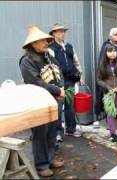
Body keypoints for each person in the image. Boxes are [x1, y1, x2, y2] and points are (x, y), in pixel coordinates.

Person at [19, 25, 64, 177]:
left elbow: (59, 73)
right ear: (33, 44)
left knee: (52, 132)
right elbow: (37, 82)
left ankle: (49, 159)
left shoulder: (49, 57)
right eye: (42, 41)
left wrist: (61, 88)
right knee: (40, 134)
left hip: (54, 101)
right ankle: (41, 165)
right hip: (38, 103)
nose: (46, 43)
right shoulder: (27, 61)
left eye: (46, 40)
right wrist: (57, 90)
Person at [49, 23, 83, 140]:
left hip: (70, 80)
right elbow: (50, 66)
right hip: (58, 83)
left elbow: (76, 61)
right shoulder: (51, 48)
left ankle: (71, 129)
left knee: (70, 105)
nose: (62, 33)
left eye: (63, 31)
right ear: (53, 34)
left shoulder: (69, 46)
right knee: (58, 108)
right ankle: (57, 132)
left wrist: (80, 76)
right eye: (59, 31)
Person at [97, 44, 117, 143]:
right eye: (110, 51)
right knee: (110, 113)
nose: (112, 53)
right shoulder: (102, 64)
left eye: (114, 51)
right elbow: (99, 80)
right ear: (105, 53)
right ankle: (112, 134)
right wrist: (107, 87)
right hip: (108, 94)